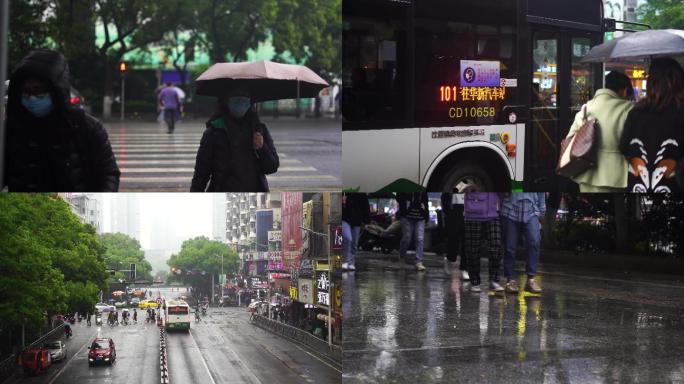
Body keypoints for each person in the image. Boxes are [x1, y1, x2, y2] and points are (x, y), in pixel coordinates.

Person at [4, 49, 120, 191]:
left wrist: (98, 206)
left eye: (38, 90)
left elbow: (107, 174)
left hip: (72, 210)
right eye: (26, 91)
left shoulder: (86, 127)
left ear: (56, 91)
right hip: (25, 210)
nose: (32, 97)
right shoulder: (11, 127)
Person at [190, 90, 279, 192]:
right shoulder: (214, 132)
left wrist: (262, 148)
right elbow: (201, 173)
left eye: (244, 100)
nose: (241, 104)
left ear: (250, 103)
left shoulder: (259, 130)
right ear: (227, 102)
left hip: (254, 198)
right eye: (236, 100)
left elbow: (272, 167)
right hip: (222, 197)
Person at [620, 58, 684, 193]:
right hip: (673, 185)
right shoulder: (680, 112)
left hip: (639, 185)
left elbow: (624, 147)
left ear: (651, 83)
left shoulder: (635, 113)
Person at [564, 71, 634, 192]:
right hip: (617, 176)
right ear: (624, 91)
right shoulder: (628, 108)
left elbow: (570, 138)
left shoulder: (586, 108)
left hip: (586, 173)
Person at [500, 193, 546, 294]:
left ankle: (531, 279)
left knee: (534, 242)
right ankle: (510, 280)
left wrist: (542, 212)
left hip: (531, 211)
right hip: (510, 209)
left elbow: (541, 191)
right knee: (509, 246)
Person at [463, 192, 504, 293]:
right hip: (473, 212)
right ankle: (475, 281)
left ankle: (494, 279)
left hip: (493, 213)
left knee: (496, 245)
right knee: (473, 250)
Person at [396, 193, 429, 271]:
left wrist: (426, 215)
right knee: (407, 238)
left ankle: (419, 261)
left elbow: (425, 201)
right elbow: (398, 197)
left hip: (420, 216)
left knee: (420, 238)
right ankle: (402, 255)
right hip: (407, 216)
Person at [440, 193, 469, 280]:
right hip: (454, 208)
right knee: (453, 238)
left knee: (467, 240)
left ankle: (465, 268)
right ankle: (449, 259)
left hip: (469, 206)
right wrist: (447, 211)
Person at [341, 193, 370, 271]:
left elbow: (365, 206)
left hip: (357, 221)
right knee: (348, 238)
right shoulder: (343, 191)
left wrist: (366, 221)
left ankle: (351, 262)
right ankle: (345, 260)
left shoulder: (361, 192)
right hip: (345, 218)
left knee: (354, 243)